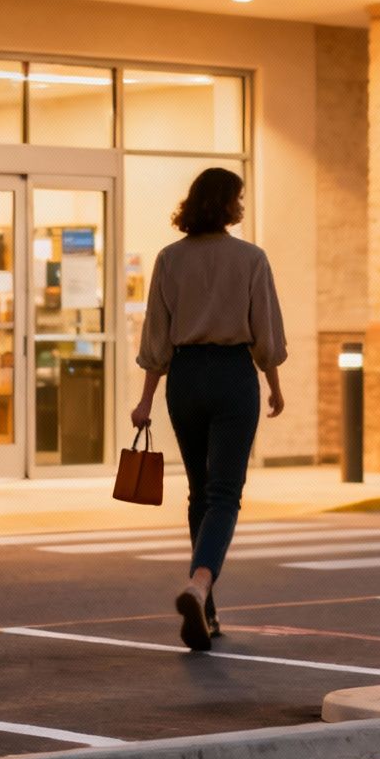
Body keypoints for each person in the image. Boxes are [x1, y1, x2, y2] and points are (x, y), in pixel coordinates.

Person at [131, 167, 286, 651]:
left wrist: (145, 399)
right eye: (238, 198)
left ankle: (208, 612)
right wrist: (274, 385)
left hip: (185, 378)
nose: (241, 205)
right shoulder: (251, 258)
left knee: (200, 491)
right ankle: (200, 585)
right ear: (226, 204)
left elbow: (156, 337)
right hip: (233, 376)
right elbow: (266, 336)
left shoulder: (169, 259)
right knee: (224, 494)